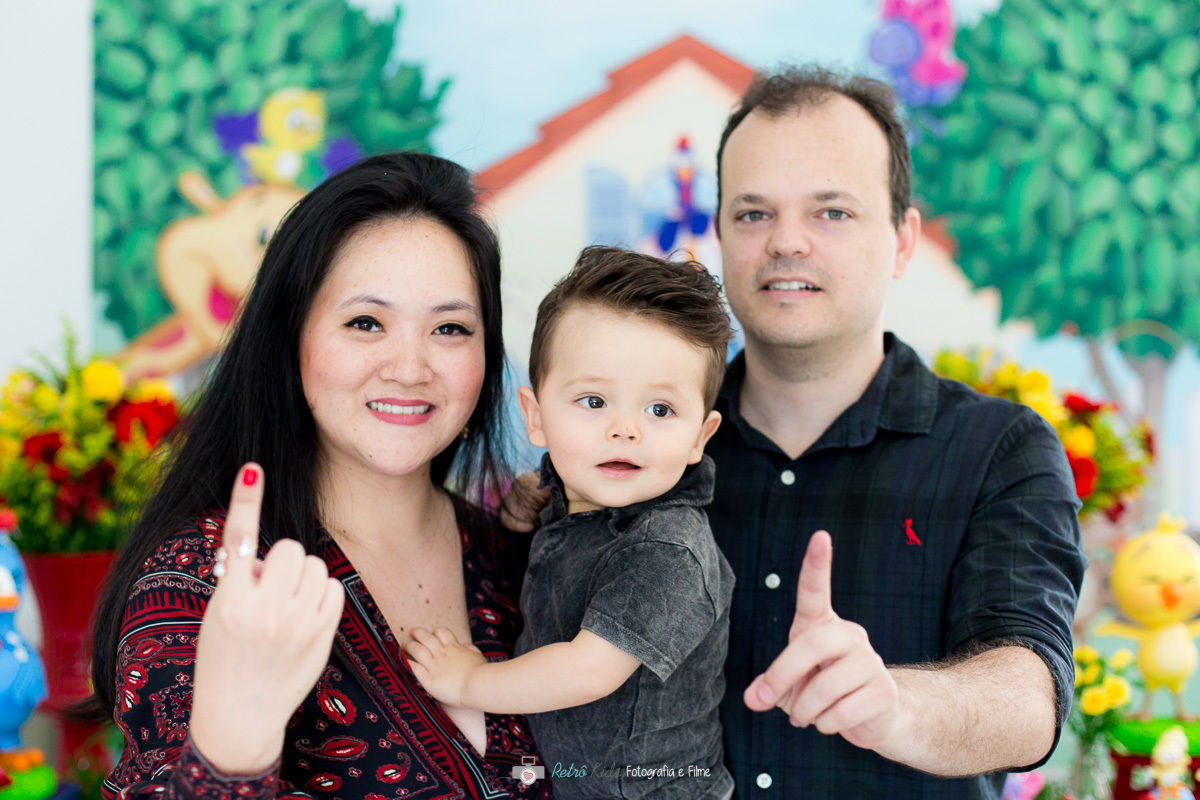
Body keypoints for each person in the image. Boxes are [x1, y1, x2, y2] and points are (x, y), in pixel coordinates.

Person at [502, 66, 1084, 799]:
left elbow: (1029, 701)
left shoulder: (1001, 449)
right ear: (717, 234)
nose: (787, 242)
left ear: (904, 240)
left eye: (831, 212)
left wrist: (896, 706)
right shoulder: (637, 447)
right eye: (753, 214)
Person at [84, 152, 551, 799]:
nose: (410, 368)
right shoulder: (199, 581)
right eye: (366, 322)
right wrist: (232, 744)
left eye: (450, 328)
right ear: (291, 338)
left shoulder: (525, 562)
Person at [405, 247, 736, 800]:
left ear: (700, 438)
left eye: (660, 410)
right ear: (536, 418)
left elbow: (588, 670)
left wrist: (469, 682)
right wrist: (528, 507)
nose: (625, 429)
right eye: (593, 400)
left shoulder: (668, 550)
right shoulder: (575, 499)